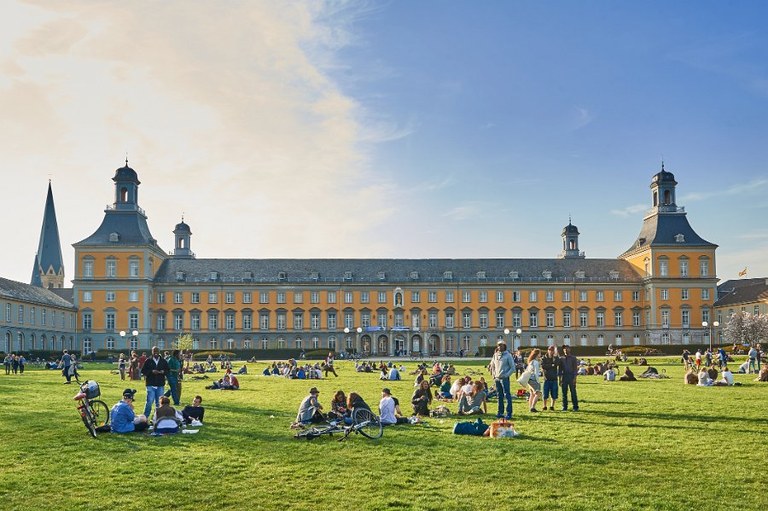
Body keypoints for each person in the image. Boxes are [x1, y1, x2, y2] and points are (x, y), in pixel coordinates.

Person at [141, 346, 169, 418]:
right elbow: (143, 371)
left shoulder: (163, 361)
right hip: (150, 384)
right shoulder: (148, 361)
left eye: (157, 351)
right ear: (152, 352)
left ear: (159, 352)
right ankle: (145, 417)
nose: (155, 353)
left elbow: (168, 370)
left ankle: (158, 417)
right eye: (154, 351)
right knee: (149, 401)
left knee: (159, 402)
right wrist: (151, 371)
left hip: (160, 384)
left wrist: (163, 372)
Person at [490, 341, 514, 420]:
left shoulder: (508, 356)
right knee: (499, 396)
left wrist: (506, 375)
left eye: (501, 345)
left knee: (507, 395)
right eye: (498, 345)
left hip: (504, 378)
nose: (500, 347)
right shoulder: (495, 355)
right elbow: (492, 365)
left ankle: (509, 413)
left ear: (504, 346)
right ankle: (500, 412)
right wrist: (493, 374)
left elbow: (512, 368)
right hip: (497, 378)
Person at [559, 345, 579, 412]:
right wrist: (560, 379)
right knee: (564, 393)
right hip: (564, 377)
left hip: (571, 376)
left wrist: (574, 379)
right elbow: (560, 370)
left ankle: (575, 406)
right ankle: (564, 407)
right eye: (564, 349)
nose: (565, 350)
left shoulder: (573, 358)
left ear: (569, 349)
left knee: (573, 392)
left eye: (567, 349)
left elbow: (575, 369)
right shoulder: (561, 359)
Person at [541, 345, 560, 410]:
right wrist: (552, 365)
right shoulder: (544, 357)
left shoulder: (555, 357)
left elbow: (557, 363)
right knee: (545, 393)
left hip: (554, 378)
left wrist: (555, 356)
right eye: (550, 350)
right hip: (546, 378)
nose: (551, 351)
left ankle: (552, 406)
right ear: (548, 350)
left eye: (552, 350)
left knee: (554, 393)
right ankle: (544, 406)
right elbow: (543, 366)